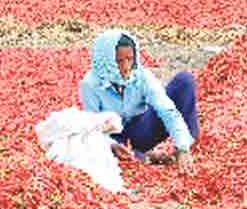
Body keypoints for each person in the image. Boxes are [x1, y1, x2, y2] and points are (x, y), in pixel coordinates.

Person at [79, 29, 198, 174]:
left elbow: (167, 110)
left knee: (184, 80)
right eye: (119, 61)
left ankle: (189, 143)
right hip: (115, 139)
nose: (126, 67)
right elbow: (93, 128)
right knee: (94, 151)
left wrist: (182, 147)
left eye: (130, 59)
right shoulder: (90, 84)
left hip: (142, 129)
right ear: (106, 60)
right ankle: (141, 156)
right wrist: (111, 145)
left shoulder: (141, 76)